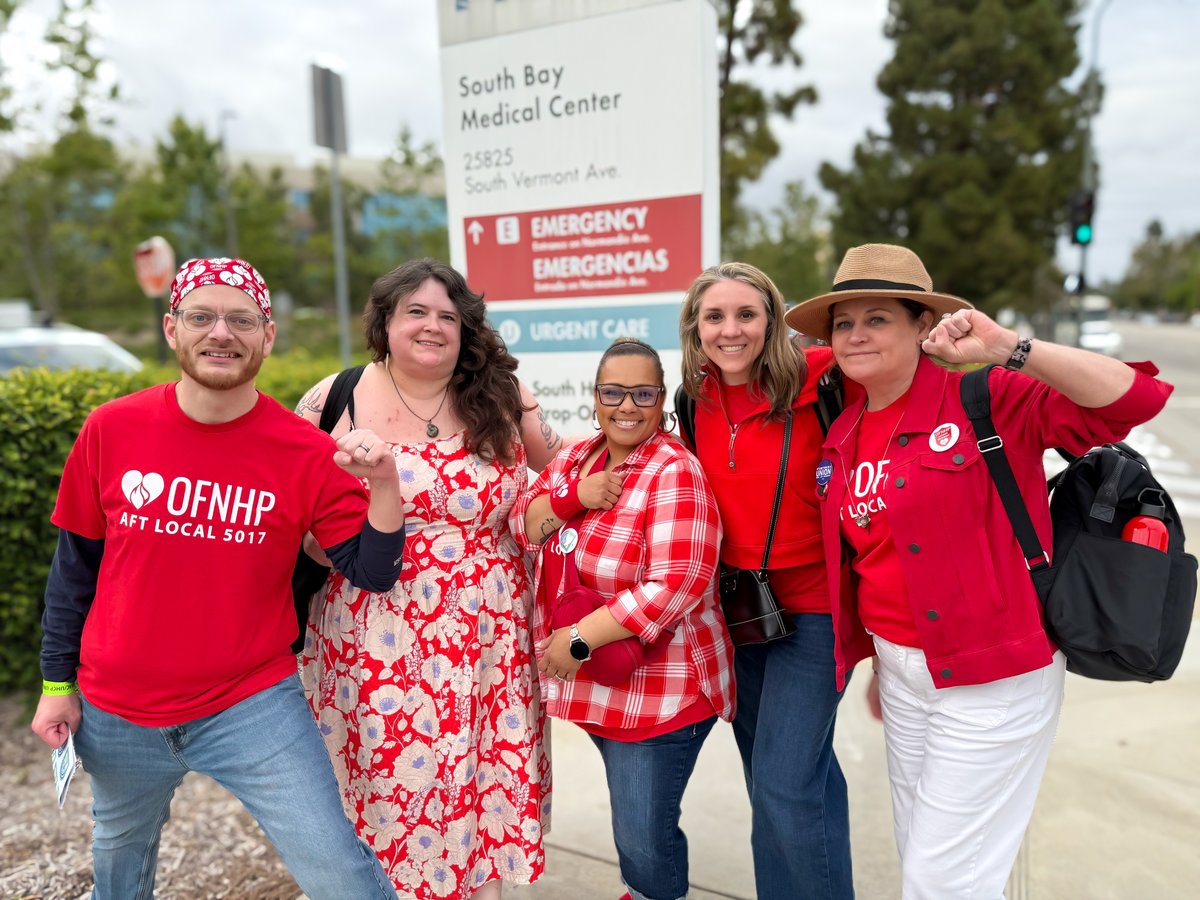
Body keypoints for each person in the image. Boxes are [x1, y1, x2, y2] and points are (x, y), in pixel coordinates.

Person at [784, 242, 1173, 899]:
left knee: (943, 880)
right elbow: (877, 560)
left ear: (919, 326)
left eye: (877, 318)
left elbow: (1136, 399)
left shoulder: (986, 397)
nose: (855, 335)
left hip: (995, 674)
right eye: (843, 323)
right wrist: (887, 664)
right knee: (927, 857)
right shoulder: (843, 432)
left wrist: (1010, 348)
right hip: (906, 674)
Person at [30, 257, 405, 900]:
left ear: (268, 336)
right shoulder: (111, 430)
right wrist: (55, 683)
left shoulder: (306, 452)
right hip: (118, 708)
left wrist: (385, 484)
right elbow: (74, 573)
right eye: (202, 317)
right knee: (119, 867)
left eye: (241, 319)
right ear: (173, 329)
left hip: (251, 704)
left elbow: (371, 571)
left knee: (340, 873)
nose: (221, 333)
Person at [297, 258, 562, 900]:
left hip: (489, 633)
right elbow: (289, 510)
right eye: (416, 311)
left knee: (478, 776)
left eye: (449, 315)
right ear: (385, 321)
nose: (433, 325)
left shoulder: (501, 396)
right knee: (389, 783)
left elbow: (562, 475)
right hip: (373, 636)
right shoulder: (333, 397)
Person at [508, 337, 735, 900]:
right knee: (635, 827)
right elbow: (522, 529)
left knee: (642, 839)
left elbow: (678, 582)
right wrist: (572, 499)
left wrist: (579, 639)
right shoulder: (576, 461)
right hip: (602, 688)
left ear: (662, 402)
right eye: (614, 392)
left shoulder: (673, 470)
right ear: (595, 396)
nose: (627, 406)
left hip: (660, 689)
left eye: (642, 394)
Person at [677, 263, 854, 900]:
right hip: (741, 610)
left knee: (784, 781)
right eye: (715, 317)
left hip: (815, 608)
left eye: (746, 314)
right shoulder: (691, 397)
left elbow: (888, 354)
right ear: (695, 328)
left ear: (772, 320)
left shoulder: (820, 376)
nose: (731, 330)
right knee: (782, 780)